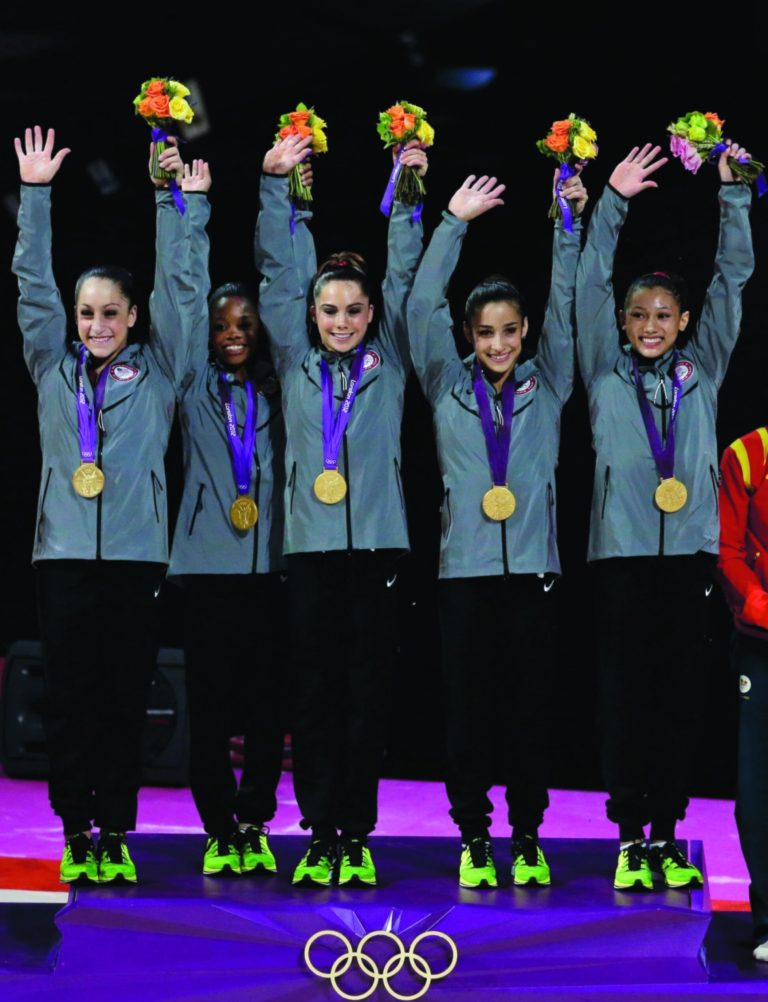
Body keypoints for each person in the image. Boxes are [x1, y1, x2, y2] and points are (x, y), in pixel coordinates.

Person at [12, 126, 191, 884]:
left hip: (135, 558)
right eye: (87, 314)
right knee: (69, 701)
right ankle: (75, 827)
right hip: (61, 558)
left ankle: (115, 829)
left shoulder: (161, 371)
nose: (96, 326)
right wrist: (35, 194)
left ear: (133, 317)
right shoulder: (50, 366)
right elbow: (32, 283)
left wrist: (171, 200)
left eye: (110, 313)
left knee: (122, 700)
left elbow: (181, 287)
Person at [575, 142, 754, 889]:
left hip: (688, 560)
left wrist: (734, 195)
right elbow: (588, 281)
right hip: (620, 559)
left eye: (663, 316)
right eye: (639, 315)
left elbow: (732, 277)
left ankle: (667, 834)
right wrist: (612, 203)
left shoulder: (702, 367)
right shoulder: (601, 368)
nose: (651, 325)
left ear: (684, 322)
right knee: (624, 703)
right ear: (621, 322)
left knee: (677, 703)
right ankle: (629, 836)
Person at [254, 133, 426, 886]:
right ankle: (320, 832)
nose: (342, 321)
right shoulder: (295, 358)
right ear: (312, 314)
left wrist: (409, 194)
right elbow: (278, 272)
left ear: (371, 312)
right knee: (316, 697)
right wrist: (276, 187)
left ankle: (355, 834)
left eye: (354, 310)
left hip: (378, 550)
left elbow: (408, 275)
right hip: (311, 551)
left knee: (368, 698)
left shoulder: (391, 357)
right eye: (329, 311)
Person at [407, 169, 586, 887]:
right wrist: (452, 223)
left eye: (510, 331)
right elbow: (420, 303)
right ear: (467, 335)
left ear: (525, 331)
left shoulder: (552, 381)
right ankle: (475, 836)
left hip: (535, 575)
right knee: (469, 715)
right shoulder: (445, 384)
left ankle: (527, 834)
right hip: (464, 577)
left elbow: (567, 302)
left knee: (529, 714)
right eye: (485, 332)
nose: (499, 343)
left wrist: (568, 226)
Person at [165, 157, 288, 876]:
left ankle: (255, 820)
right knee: (210, 705)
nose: (232, 333)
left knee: (268, 704)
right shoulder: (189, 385)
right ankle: (218, 825)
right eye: (221, 326)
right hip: (208, 570)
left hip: (270, 568)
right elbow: (182, 293)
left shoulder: (281, 390)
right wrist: (191, 210)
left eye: (244, 323)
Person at [718, 427, 768, 959]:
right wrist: (761, 608)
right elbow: (728, 551)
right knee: (758, 795)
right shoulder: (748, 454)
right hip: (761, 646)